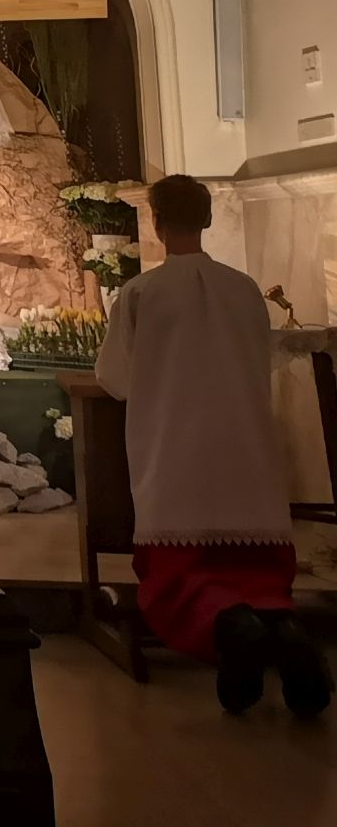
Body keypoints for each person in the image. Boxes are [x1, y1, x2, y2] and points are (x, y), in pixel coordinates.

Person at [96, 175, 330, 717]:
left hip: (173, 450)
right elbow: (258, 359)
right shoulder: (243, 289)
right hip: (245, 450)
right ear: (207, 219)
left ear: (156, 222)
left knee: (183, 573)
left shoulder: (142, 292)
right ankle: (284, 625)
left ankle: (229, 625)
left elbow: (116, 378)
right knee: (256, 568)